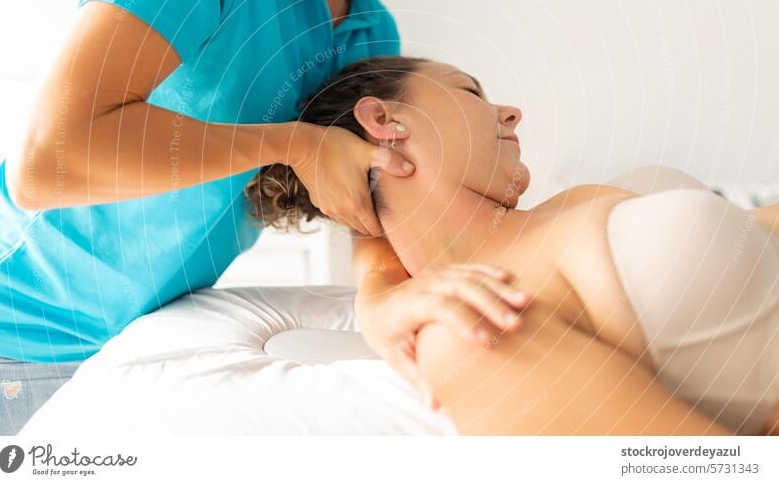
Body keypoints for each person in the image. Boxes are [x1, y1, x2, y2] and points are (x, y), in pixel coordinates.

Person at [0, 0, 481, 436]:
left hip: (142, 345)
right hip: (9, 337)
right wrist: (290, 142)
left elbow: (372, 206)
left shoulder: (371, 32)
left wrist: (384, 301)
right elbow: (46, 164)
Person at [246, 55, 779, 435]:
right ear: (385, 121)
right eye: (471, 92)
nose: (511, 112)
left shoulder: (572, 205)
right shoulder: (472, 327)